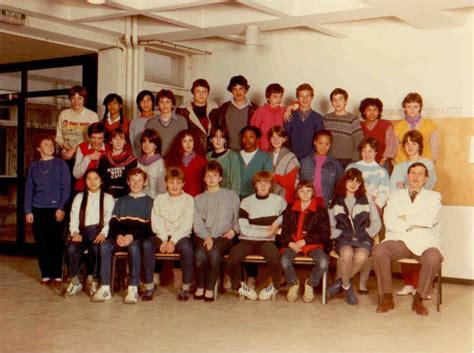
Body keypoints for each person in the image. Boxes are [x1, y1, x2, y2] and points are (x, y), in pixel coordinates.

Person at [373, 162, 443, 316]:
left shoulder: (434, 197)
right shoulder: (395, 196)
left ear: (426, 178)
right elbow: (389, 221)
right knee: (379, 250)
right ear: (407, 175)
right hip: (400, 240)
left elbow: (429, 219)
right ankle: (387, 297)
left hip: (425, 241)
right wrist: (412, 225)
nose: (416, 176)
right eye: (413, 173)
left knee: (434, 257)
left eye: (420, 174)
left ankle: (419, 299)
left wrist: (405, 217)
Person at [92, 168, 155, 304]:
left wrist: (131, 236)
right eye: (133, 180)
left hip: (137, 238)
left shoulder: (150, 202)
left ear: (144, 182)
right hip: (121, 237)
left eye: (139, 181)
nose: (136, 183)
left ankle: (132, 289)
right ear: (127, 182)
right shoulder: (121, 201)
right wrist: (119, 234)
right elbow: (114, 222)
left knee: (133, 248)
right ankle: (105, 288)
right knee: (104, 245)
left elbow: (148, 227)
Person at [390, 131, 437, 297]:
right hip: (403, 208)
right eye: (407, 143)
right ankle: (409, 284)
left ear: (420, 146)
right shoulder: (399, 166)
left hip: (421, 210)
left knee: (420, 247)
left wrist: (405, 185)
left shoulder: (427, 164)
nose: (410, 147)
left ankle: (421, 286)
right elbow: (392, 188)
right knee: (403, 241)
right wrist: (404, 188)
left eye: (414, 143)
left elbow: (428, 186)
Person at [227, 171, 287, 301]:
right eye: (260, 182)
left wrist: (276, 223)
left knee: (274, 257)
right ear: (255, 185)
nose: (263, 186)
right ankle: (239, 287)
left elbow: (287, 216)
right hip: (247, 240)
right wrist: (266, 232)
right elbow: (243, 228)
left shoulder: (278, 201)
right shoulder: (246, 201)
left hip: (267, 242)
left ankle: (275, 287)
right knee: (233, 257)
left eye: (266, 182)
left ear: (271, 185)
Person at [327, 168, 381, 305]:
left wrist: (366, 233)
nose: (353, 184)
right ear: (345, 181)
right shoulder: (335, 201)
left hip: (363, 238)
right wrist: (341, 234)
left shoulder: (367, 199)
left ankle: (340, 284)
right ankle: (347, 287)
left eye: (357, 182)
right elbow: (330, 227)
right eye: (350, 180)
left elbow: (377, 223)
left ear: (360, 184)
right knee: (346, 254)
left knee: (361, 257)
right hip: (344, 238)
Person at [25, 134, 71, 285]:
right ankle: (46, 273)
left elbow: (66, 188)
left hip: (55, 209)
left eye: (51, 144)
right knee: (41, 243)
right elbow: (29, 189)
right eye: (46, 144)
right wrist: (28, 210)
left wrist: (61, 207)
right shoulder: (34, 166)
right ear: (39, 148)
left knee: (56, 243)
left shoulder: (60, 164)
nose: (50, 147)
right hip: (38, 208)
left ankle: (57, 274)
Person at [193, 161, 240, 302]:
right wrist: (206, 237)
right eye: (208, 175)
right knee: (199, 256)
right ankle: (200, 286)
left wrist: (234, 230)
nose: (211, 178)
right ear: (204, 179)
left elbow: (238, 217)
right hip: (205, 235)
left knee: (214, 254)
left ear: (220, 178)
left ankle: (209, 287)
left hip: (224, 236)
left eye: (215, 175)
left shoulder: (231, 196)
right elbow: (197, 222)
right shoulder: (198, 199)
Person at [277, 181, 330, 303]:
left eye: (308, 191)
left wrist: (305, 241)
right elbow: (283, 232)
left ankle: (310, 284)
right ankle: (293, 283)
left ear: (313, 193)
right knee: (285, 260)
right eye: (302, 191)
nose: (305, 194)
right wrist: (290, 243)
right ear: (297, 193)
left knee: (323, 262)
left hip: (311, 244)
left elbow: (325, 233)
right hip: (293, 243)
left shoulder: (320, 210)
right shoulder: (289, 210)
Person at [64, 169, 114, 297]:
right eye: (89, 179)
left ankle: (95, 282)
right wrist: (75, 232)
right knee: (71, 249)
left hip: (99, 233)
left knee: (97, 249)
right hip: (82, 233)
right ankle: (75, 281)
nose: (92, 182)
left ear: (101, 181)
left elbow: (109, 219)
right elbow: (73, 217)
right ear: (85, 181)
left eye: (96, 178)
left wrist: (103, 233)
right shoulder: (79, 197)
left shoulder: (108, 198)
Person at [151, 167, 194, 301]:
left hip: (180, 236)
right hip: (162, 234)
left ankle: (185, 286)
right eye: (171, 182)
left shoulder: (189, 199)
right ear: (166, 184)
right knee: (147, 244)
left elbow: (187, 225)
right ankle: (149, 283)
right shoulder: (159, 199)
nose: (174, 186)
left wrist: (173, 241)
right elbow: (156, 221)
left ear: (183, 184)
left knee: (187, 248)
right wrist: (164, 239)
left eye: (178, 182)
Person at [299, 130, 343, 208]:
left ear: (331, 144)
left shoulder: (336, 164)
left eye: (327, 144)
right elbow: (299, 183)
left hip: (325, 203)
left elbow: (340, 187)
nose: (323, 147)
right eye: (320, 143)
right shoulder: (305, 162)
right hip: (306, 201)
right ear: (315, 143)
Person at [55, 85, 99, 162]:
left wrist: (73, 151)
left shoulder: (92, 115)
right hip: (66, 155)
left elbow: (92, 138)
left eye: (79, 98)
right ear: (70, 99)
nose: (76, 102)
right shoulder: (63, 114)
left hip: (85, 157)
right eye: (73, 98)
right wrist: (68, 150)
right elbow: (58, 137)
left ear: (84, 99)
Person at [394, 92, 439, 164]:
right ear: (405, 108)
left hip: (425, 163)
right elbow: (395, 148)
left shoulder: (430, 126)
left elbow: (434, 147)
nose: (412, 110)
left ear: (420, 107)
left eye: (415, 106)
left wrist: (430, 162)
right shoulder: (397, 127)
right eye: (409, 106)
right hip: (403, 163)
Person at [347, 137, 390, 212]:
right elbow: (343, 187)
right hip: (350, 205)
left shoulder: (381, 171)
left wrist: (375, 208)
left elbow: (384, 193)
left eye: (370, 151)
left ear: (375, 152)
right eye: (364, 151)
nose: (367, 154)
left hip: (371, 208)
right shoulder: (351, 166)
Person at [216, 75, 258, 151]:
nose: (238, 92)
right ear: (231, 91)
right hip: (228, 152)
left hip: (248, 152)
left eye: (241, 88)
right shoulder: (224, 107)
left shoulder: (254, 108)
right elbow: (220, 131)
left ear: (246, 89)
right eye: (234, 89)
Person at [324, 88, 363, 168]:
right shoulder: (327, 118)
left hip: (348, 160)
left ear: (346, 101)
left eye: (340, 99)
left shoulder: (353, 119)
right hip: (330, 158)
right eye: (334, 100)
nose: (337, 102)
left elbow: (359, 141)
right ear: (331, 103)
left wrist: (354, 161)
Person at [283, 83, 324, 161]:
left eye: (308, 96)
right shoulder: (290, 116)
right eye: (301, 96)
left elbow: (319, 141)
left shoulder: (318, 118)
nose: (305, 99)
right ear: (297, 98)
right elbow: (286, 137)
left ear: (312, 97)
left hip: (311, 158)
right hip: (292, 157)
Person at [176, 79, 219, 150]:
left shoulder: (216, 108)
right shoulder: (182, 110)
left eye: (204, 91)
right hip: (192, 150)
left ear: (208, 92)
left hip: (212, 150)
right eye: (198, 91)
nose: (201, 94)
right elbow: (180, 135)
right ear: (193, 92)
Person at [164, 129, 207, 197]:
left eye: (190, 140)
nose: (188, 144)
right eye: (184, 141)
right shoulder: (172, 160)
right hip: (177, 197)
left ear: (194, 142)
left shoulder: (202, 161)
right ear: (180, 143)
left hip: (196, 197)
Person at [359, 97, 397, 172]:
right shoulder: (360, 126)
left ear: (379, 111)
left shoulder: (385, 125)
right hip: (365, 160)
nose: (372, 113)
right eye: (368, 110)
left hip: (382, 161)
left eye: (375, 110)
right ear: (364, 112)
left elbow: (391, 145)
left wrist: (383, 160)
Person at [145, 89, 188, 155]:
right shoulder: (151, 122)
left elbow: (185, 143)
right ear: (158, 105)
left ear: (173, 104)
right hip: (156, 159)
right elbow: (147, 144)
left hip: (176, 158)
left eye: (168, 102)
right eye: (161, 102)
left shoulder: (181, 121)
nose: (165, 105)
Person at [98, 128, 137, 199]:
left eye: (121, 139)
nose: (118, 142)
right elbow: (100, 178)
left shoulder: (131, 159)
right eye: (115, 139)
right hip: (107, 196)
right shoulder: (104, 158)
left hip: (125, 196)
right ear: (110, 141)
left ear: (125, 141)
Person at [238, 126, 273, 199]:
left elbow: (268, 179)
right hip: (236, 197)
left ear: (257, 139)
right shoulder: (235, 156)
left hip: (256, 198)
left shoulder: (265, 157)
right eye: (245, 137)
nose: (247, 140)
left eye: (251, 137)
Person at [250, 83, 286, 152]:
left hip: (278, 149)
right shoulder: (259, 112)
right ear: (268, 98)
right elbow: (253, 133)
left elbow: (299, 105)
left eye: (280, 96)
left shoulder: (283, 111)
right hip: (263, 149)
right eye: (275, 97)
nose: (279, 100)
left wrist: (290, 108)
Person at [268, 126, 299, 204]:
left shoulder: (291, 157)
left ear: (284, 139)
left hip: (286, 197)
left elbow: (289, 182)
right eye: (273, 137)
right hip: (270, 196)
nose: (276, 140)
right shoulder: (267, 156)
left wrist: (274, 176)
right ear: (270, 139)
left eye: (279, 137)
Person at [206, 126, 241, 195]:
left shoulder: (232, 156)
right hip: (211, 195)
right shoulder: (208, 156)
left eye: (221, 137)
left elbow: (235, 181)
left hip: (227, 196)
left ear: (225, 140)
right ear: (211, 139)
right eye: (215, 137)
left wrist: (233, 199)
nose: (218, 140)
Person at [73, 122, 107, 192]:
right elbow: (76, 175)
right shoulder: (82, 147)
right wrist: (87, 158)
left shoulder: (109, 149)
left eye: (100, 138)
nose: (96, 141)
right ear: (88, 137)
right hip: (82, 189)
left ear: (104, 138)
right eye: (93, 138)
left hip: (103, 190)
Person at [137, 129, 166, 199]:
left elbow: (162, 188)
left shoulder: (160, 162)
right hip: (140, 199)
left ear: (156, 145)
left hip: (155, 200)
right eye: (144, 142)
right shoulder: (139, 162)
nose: (146, 145)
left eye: (150, 142)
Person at [129, 90, 156, 157]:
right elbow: (132, 144)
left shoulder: (159, 119)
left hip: (157, 158)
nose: (145, 103)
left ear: (152, 102)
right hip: (139, 158)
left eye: (148, 100)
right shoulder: (134, 122)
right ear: (139, 104)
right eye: (142, 101)